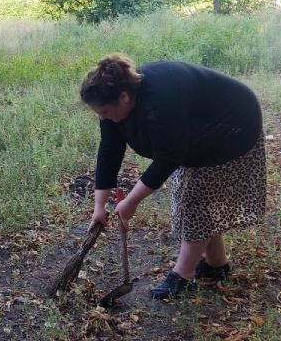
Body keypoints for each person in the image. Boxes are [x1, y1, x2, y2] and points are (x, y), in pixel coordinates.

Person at [81, 54, 265, 300]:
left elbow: (168, 158)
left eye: (104, 111)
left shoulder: (160, 99)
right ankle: (216, 265)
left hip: (232, 125)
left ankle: (183, 276)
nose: (103, 117)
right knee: (196, 198)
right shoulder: (115, 104)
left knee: (193, 198)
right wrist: (99, 205)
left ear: (124, 97)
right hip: (199, 129)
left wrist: (131, 202)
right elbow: (109, 151)